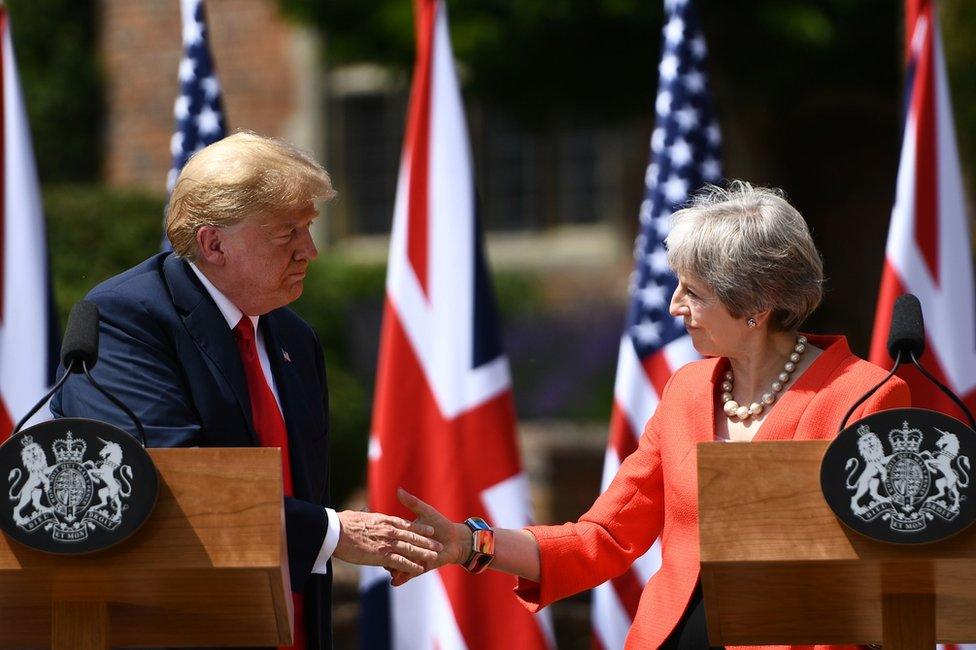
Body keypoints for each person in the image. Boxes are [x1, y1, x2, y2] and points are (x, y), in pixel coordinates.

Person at [391, 182, 910, 649]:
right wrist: (471, 544)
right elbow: (605, 539)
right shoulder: (687, 391)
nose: (674, 307)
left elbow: (880, 582)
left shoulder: (864, 397)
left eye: (694, 293)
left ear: (758, 303)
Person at [52, 132, 442, 649]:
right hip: (180, 625)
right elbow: (163, 480)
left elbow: (303, 489)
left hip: (292, 621)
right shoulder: (126, 318)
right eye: (288, 233)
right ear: (213, 243)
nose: (311, 251)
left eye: (308, 229)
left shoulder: (293, 337)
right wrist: (333, 534)